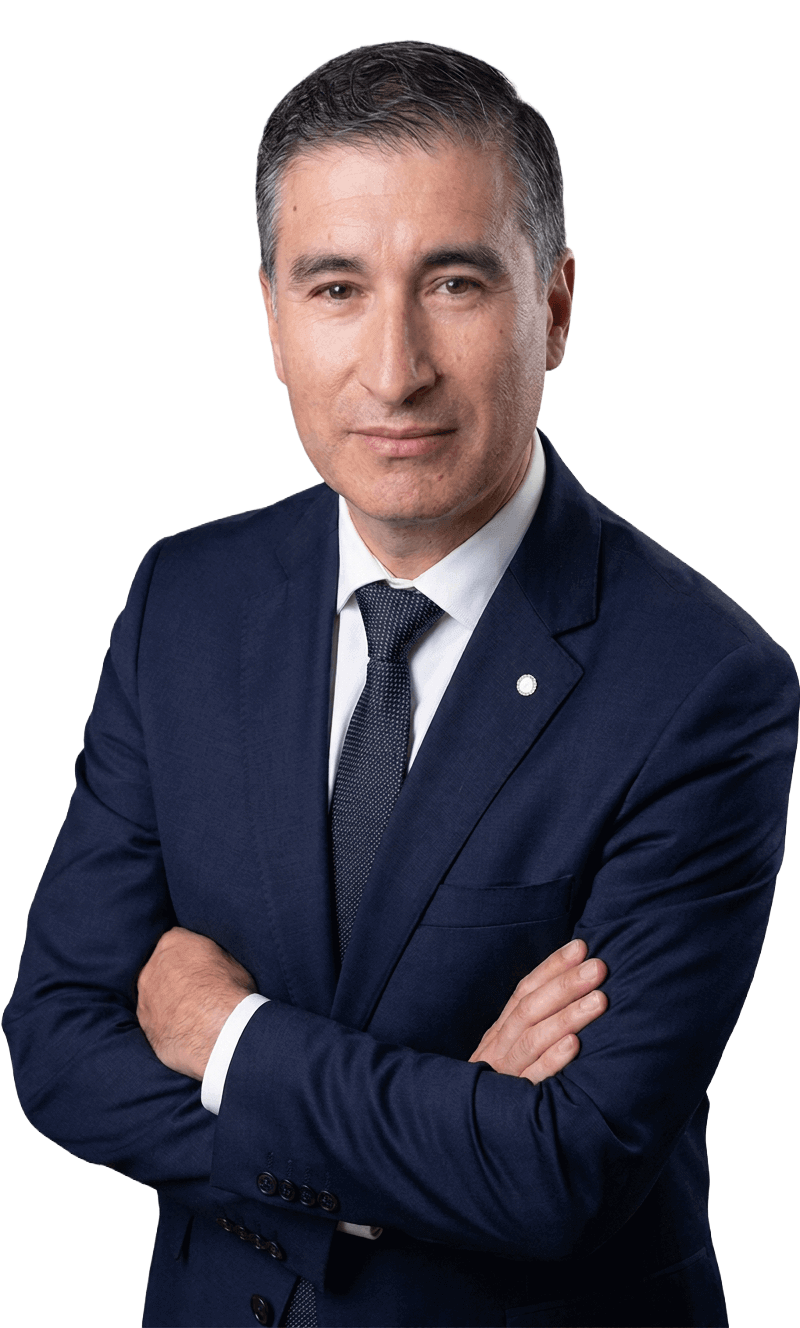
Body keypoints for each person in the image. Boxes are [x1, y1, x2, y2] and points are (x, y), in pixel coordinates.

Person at [3, 39, 797, 1328]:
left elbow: (562, 1169)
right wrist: (430, 1137)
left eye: (455, 284)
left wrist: (226, 1037)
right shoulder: (184, 601)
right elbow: (56, 1042)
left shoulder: (703, 686)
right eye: (336, 288)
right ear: (271, 317)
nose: (394, 368)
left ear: (557, 304)